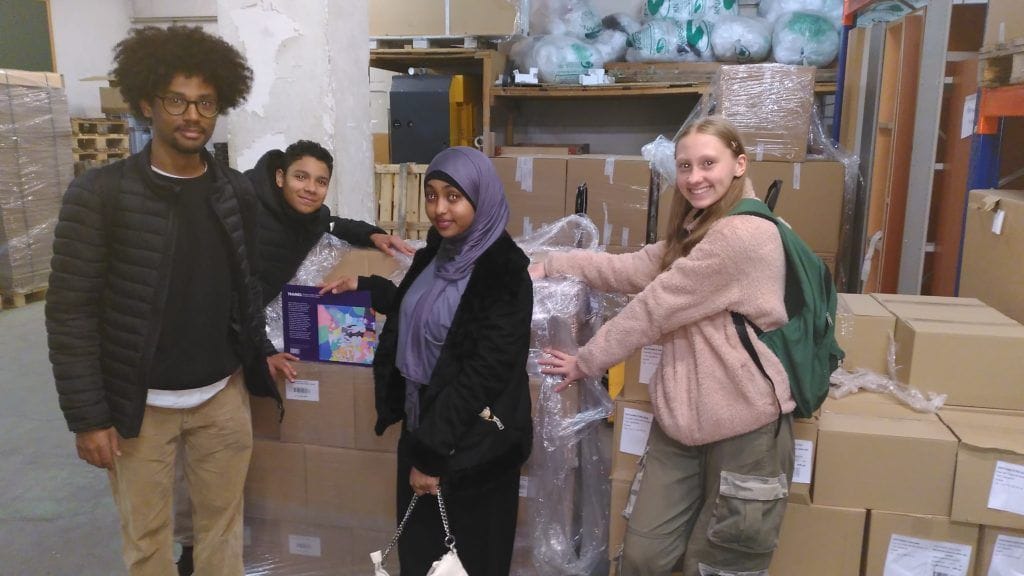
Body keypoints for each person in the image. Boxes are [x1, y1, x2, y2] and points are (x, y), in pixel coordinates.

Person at [45, 26, 276, 575]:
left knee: (222, 531)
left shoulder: (234, 191)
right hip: (138, 410)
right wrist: (88, 417)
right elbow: (69, 313)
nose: (191, 114)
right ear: (147, 103)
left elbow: (244, 288)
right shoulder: (99, 196)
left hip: (221, 398)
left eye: (205, 102)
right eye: (177, 100)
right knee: (148, 544)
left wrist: (256, 355)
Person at [535, 117, 795, 576]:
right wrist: (551, 263)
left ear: (739, 164)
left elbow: (654, 306)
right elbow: (635, 269)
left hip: (745, 425)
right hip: (681, 424)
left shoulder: (743, 235)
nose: (695, 177)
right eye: (685, 166)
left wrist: (586, 361)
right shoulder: (702, 226)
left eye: (708, 163)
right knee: (643, 557)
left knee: (712, 564)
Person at [171, 140, 413, 574]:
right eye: (301, 177)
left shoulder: (308, 217)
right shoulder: (244, 209)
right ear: (280, 176)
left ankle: (214, 553)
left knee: (223, 458)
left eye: (321, 182)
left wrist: (370, 234)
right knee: (195, 459)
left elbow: (332, 221)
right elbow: (231, 290)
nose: (311, 189)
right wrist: (262, 350)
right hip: (203, 338)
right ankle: (190, 552)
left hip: (239, 336)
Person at [371, 146, 533, 576]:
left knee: (466, 561)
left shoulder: (504, 273)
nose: (439, 209)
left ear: (481, 199)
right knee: (421, 560)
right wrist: (368, 286)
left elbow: (484, 371)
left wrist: (430, 454)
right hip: (423, 428)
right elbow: (420, 314)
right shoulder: (434, 256)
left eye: (453, 197)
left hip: (472, 446)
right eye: (431, 195)